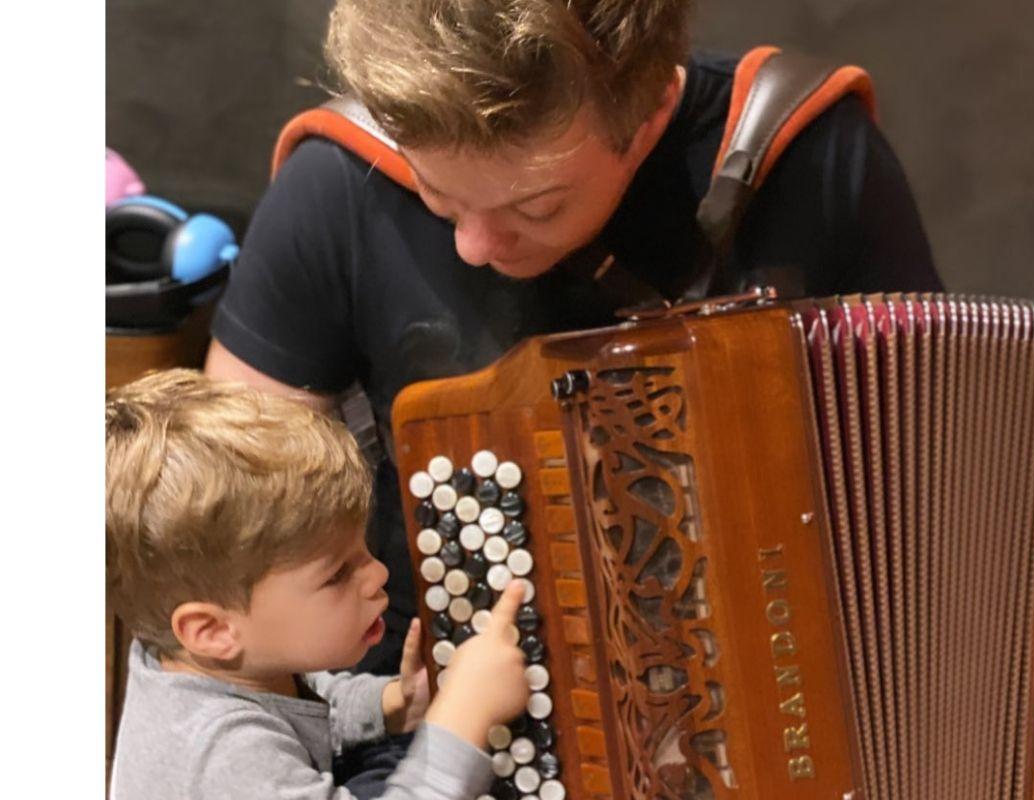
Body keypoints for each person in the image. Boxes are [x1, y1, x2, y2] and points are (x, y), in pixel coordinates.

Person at [206, 0, 943, 680]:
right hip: (433, 706)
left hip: (791, 679)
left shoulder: (811, 158)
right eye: (439, 196)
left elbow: (934, 479)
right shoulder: (339, 179)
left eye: (537, 206)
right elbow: (233, 530)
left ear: (649, 115)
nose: (473, 245)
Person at [106, 369, 531, 799]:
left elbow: (310, 702)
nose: (378, 575)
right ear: (212, 631)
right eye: (337, 574)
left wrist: (395, 702)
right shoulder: (222, 756)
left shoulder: (229, 658)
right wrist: (463, 720)